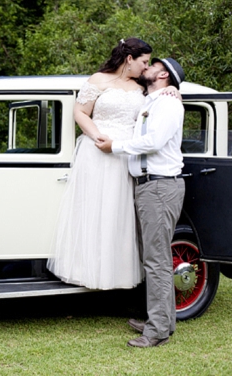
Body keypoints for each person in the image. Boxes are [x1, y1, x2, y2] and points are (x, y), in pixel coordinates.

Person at [46, 38, 152, 290]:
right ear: (129, 59)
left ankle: (117, 274)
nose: (146, 68)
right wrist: (97, 136)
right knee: (94, 210)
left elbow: (165, 90)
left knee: (119, 212)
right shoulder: (98, 80)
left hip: (126, 154)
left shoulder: (142, 86)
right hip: (97, 151)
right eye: (144, 62)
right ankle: (87, 271)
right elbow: (80, 112)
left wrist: (174, 90)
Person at [96, 57, 186, 348]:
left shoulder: (169, 104)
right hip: (149, 185)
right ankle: (162, 321)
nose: (145, 68)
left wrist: (115, 147)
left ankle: (157, 331)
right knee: (153, 257)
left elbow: (155, 141)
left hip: (160, 185)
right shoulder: (154, 101)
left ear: (162, 74)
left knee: (157, 260)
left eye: (151, 65)